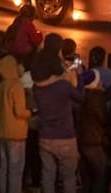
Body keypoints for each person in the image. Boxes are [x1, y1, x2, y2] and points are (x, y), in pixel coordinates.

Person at [32, 53, 83, 193]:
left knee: (48, 176)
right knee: (69, 179)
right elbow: (80, 97)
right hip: (65, 138)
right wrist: (77, 76)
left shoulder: (37, 88)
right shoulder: (63, 86)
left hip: (45, 138)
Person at [0, 53, 32, 193]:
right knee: (16, 170)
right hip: (16, 134)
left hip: (2, 132)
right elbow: (20, 112)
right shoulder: (16, 85)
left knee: (4, 167)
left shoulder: (1, 85)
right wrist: (32, 112)